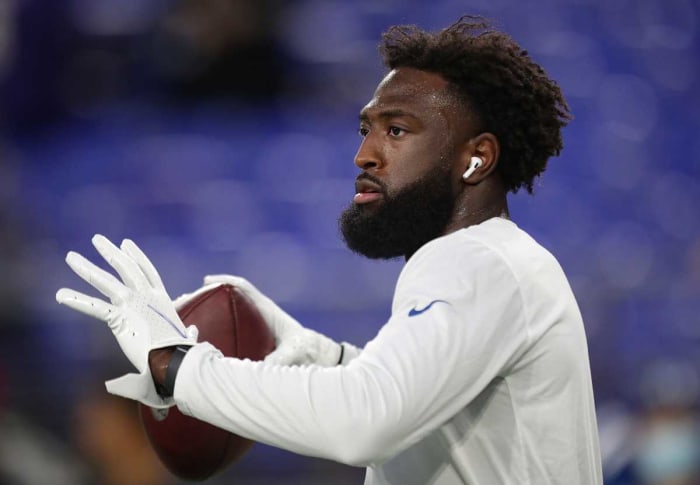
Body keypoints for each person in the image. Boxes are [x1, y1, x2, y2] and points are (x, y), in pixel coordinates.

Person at [56, 16, 603, 484]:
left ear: (476, 159)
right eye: (367, 128)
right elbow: (427, 414)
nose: (364, 154)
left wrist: (177, 367)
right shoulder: (495, 263)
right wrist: (328, 358)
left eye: (396, 130)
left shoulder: (477, 261)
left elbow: (365, 423)